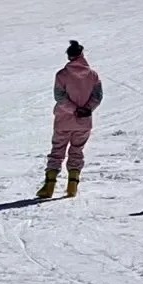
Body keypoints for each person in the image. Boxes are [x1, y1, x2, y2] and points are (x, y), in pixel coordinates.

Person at [36, 40, 103, 198]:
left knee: (57, 151)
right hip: (84, 122)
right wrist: (86, 109)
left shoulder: (62, 75)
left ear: (69, 56)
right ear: (82, 55)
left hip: (63, 120)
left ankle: (49, 187)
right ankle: (72, 186)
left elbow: (59, 97)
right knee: (77, 151)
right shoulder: (93, 75)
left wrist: (73, 109)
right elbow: (98, 96)